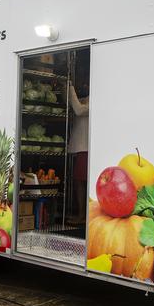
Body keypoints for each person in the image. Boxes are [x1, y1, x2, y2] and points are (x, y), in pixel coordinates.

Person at [68, 81, 88, 224]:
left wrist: (70, 88)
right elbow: (74, 102)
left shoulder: (95, 102)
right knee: (78, 182)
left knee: (80, 182)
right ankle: (81, 214)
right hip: (81, 147)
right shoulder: (88, 99)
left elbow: (78, 109)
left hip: (85, 147)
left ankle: (82, 216)